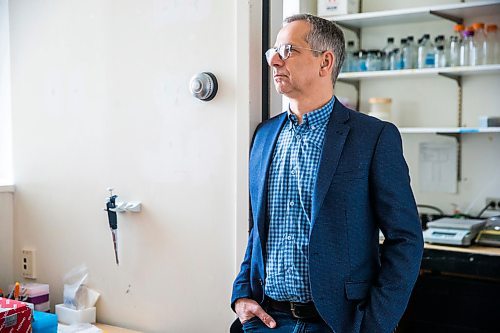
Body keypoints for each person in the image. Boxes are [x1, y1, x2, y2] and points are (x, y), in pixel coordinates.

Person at [231, 13, 424, 333]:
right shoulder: (263, 136)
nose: (275, 60)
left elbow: (405, 239)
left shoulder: (373, 138)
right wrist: (241, 295)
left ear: (325, 62)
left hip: (338, 324)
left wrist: (375, 325)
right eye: (273, 52)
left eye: (289, 50)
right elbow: (259, 229)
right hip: (265, 322)